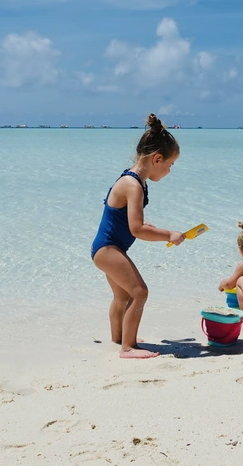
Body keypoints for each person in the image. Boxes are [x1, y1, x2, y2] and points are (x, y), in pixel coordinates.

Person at [91, 113, 186, 359]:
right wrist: (168, 234)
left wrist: (147, 225)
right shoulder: (133, 185)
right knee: (140, 292)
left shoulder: (135, 182)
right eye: (170, 165)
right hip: (109, 249)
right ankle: (128, 347)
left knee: (122, 295)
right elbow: (137, 229)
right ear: (157, 158)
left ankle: (119, 338)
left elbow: (127, 219)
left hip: (106, 248)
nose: (169, 170)